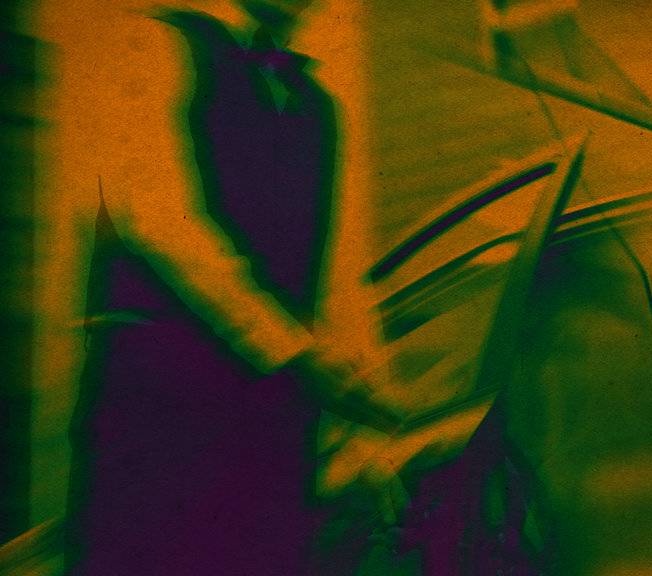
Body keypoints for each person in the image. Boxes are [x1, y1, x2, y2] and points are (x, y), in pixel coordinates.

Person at [27, 1, 402, 574]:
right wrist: (292, 351)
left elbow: (337, 279)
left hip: (274, 432)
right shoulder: (152, 46)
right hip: (161, 418)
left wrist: (368, 436)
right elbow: (158, 221)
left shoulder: (319, 105)